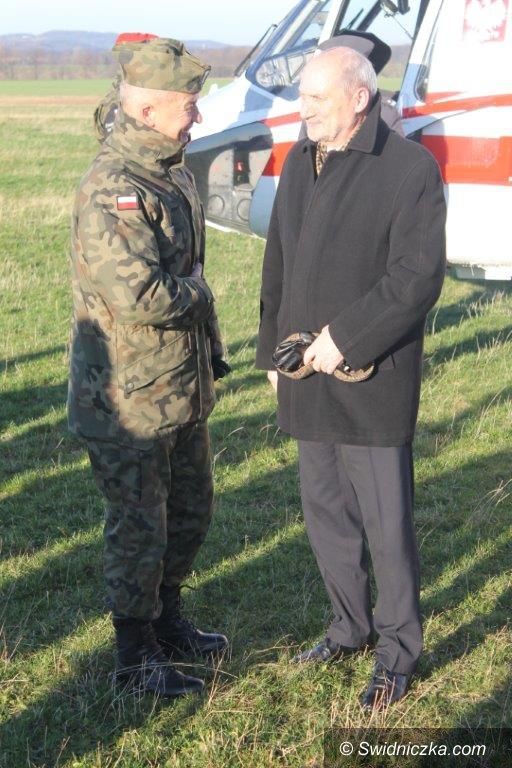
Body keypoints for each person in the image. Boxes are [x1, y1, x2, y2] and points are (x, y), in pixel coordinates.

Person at [256, 47, 446, 710]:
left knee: (386, 526)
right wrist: (272, 356)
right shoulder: (299, 160)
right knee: (326, 513)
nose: (303, 108)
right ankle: (348, 628)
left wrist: (344, 339)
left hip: (372, 377)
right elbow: (279, 263)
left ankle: (397, 654)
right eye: (302, 96)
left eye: (317, 97)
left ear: (359, 98)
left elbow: (416, 278)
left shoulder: (408, 168)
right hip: (305, 375)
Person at [68, 37, 230, 698]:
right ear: (149, 109)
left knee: (190, 512)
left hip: (179, 387)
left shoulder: (170, 172)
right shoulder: (116, 187)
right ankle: (135, 658)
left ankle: (167, 621)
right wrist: (202, 295)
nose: (197, 116)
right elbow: (142, 296)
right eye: (189, 106)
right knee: (140, 528)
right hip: (129, 399)